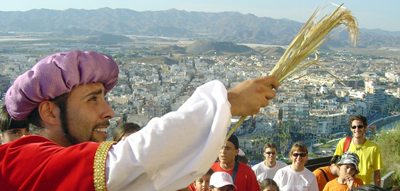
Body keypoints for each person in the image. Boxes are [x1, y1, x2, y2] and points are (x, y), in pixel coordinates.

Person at [0, 50, 279, 190]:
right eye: (92, 99)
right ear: (49, 113)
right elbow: (137, 156)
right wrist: (227, 101)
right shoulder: (23, 160)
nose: (109, 111)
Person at [334, 115, 383, 186]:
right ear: (351, 128)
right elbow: (335, 165)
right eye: (354, 127)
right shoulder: (343, 143)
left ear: (365, 127)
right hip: (345, 187)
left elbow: (377, 172)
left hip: (363, 188)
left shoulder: (373, 148)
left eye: (360, 126)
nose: (356, 129)